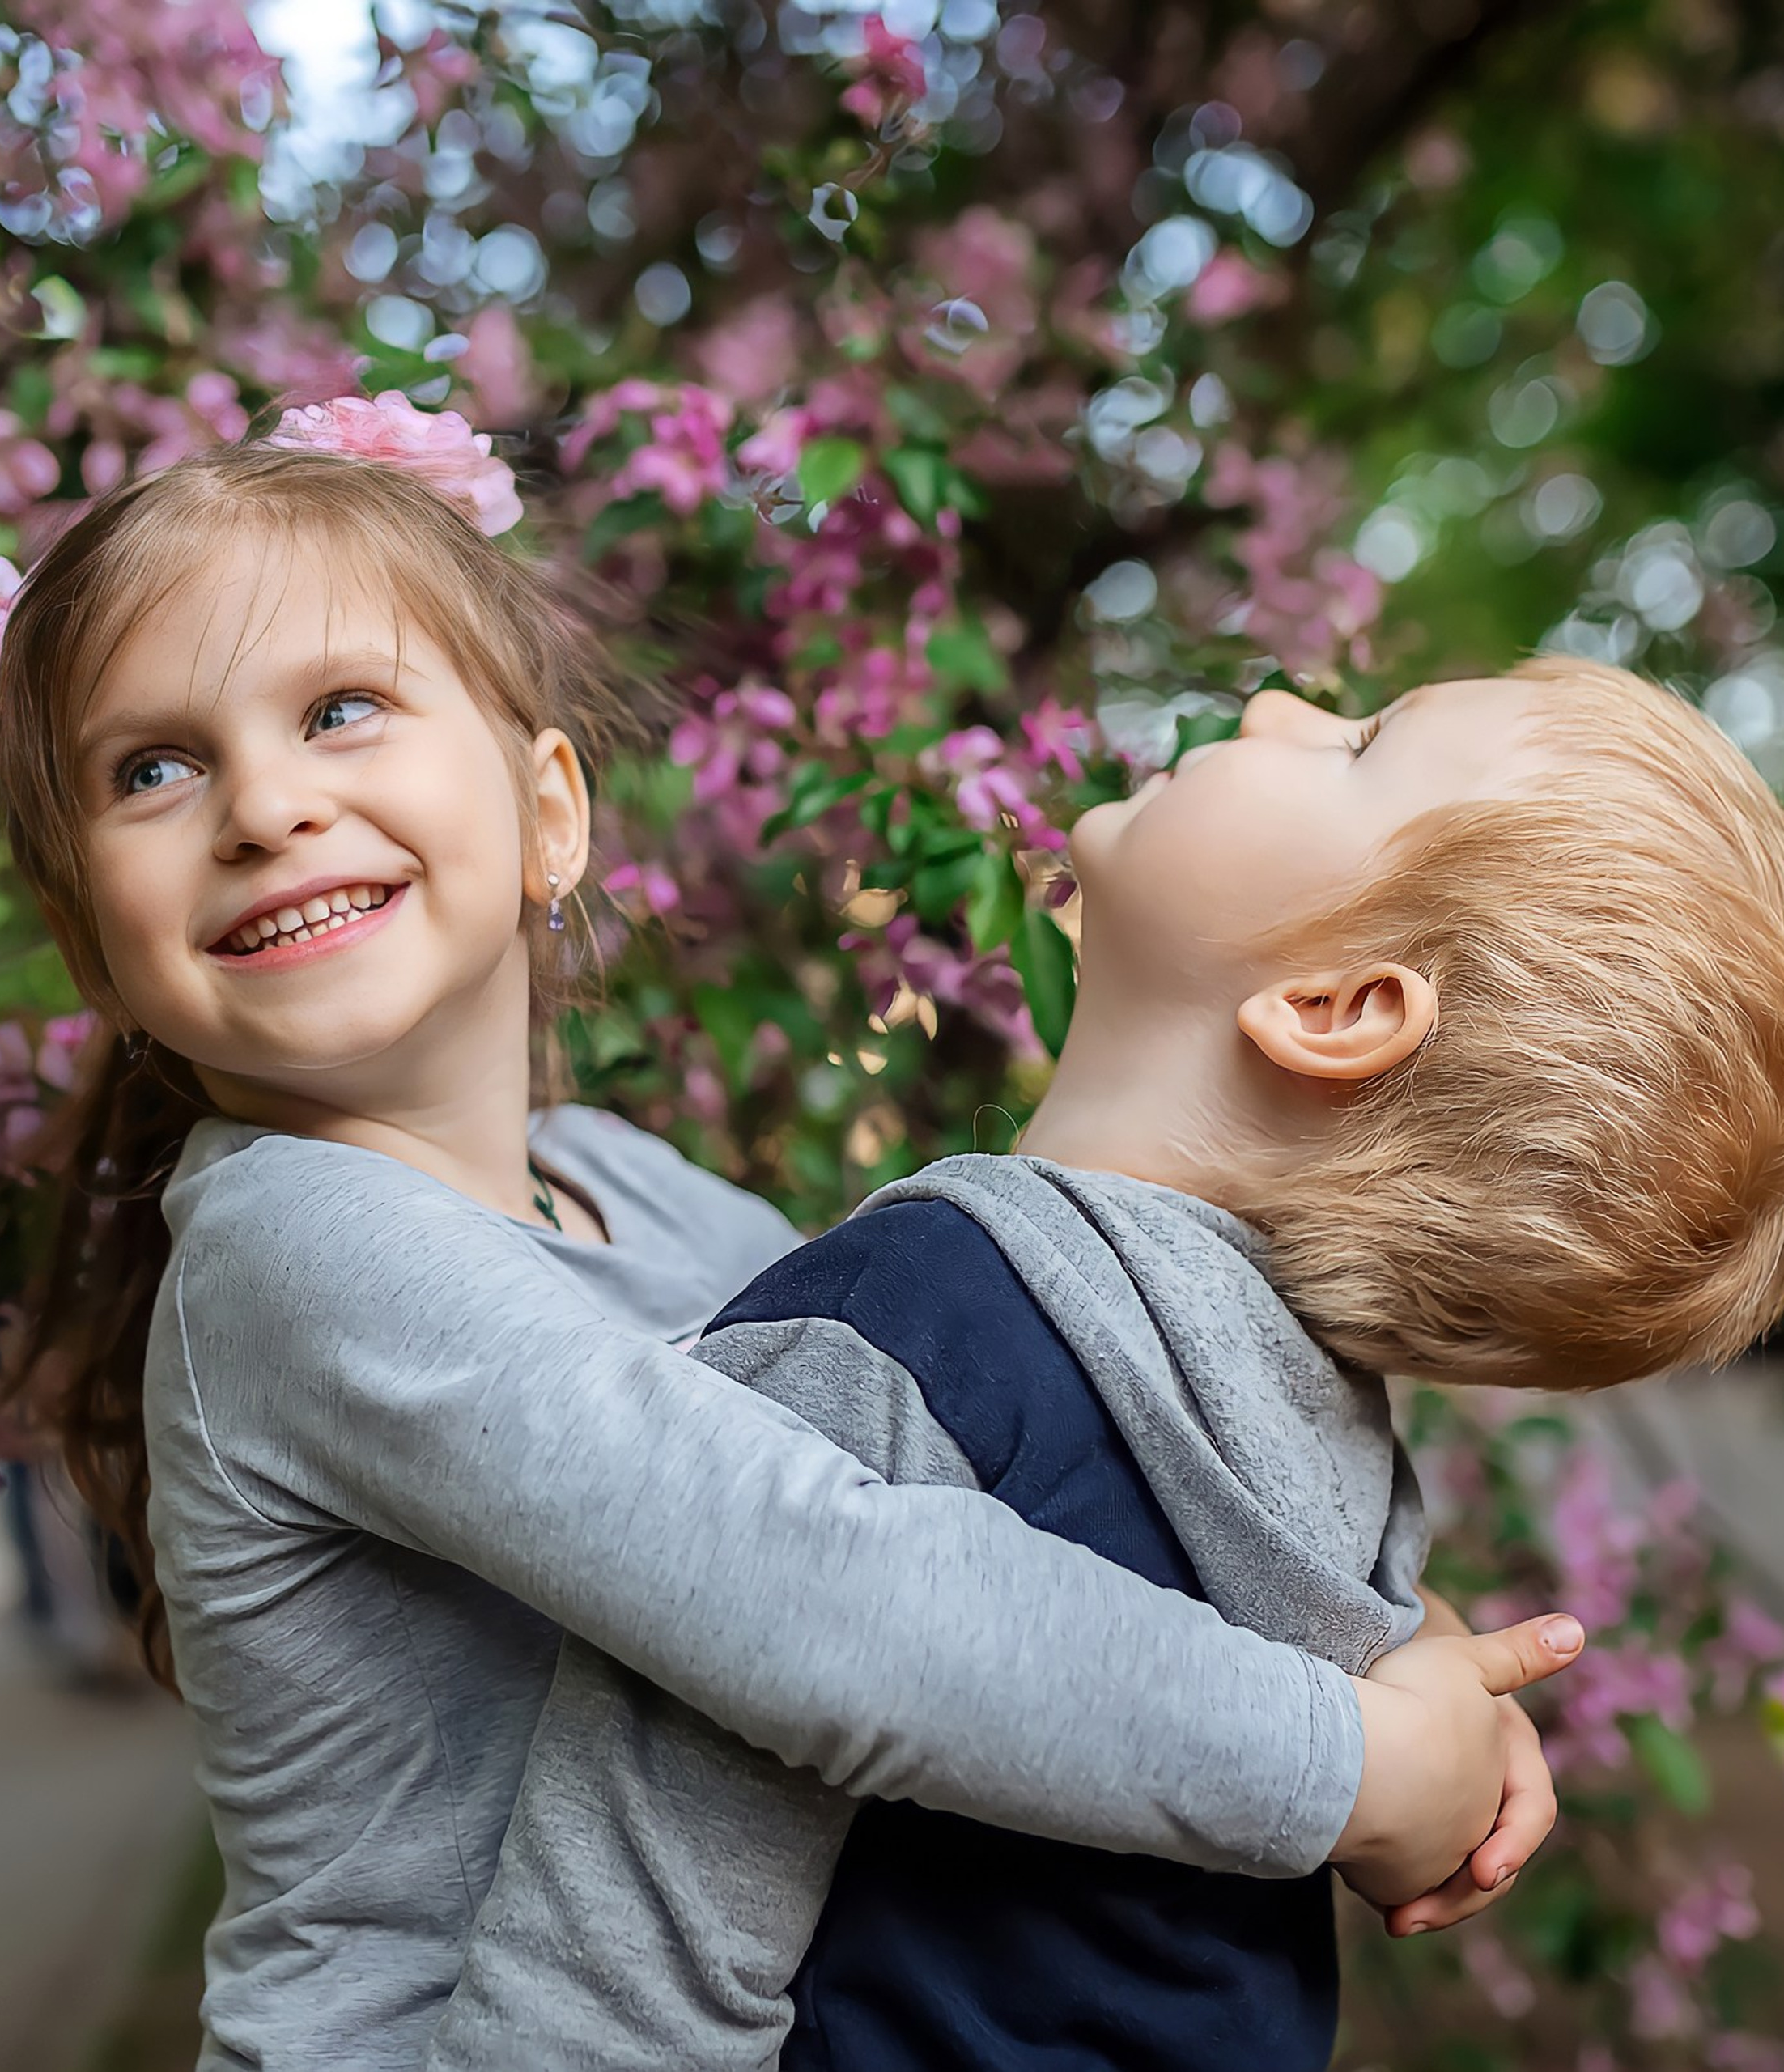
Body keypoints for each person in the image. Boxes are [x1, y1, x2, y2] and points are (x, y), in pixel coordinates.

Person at [0, 396, 1579, 2070]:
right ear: (95, 949)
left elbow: (956, 1468)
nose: (263, 804)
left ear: (548, 817)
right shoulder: (294, 1248)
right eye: (152, 766)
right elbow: (831, 1590)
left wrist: (1392, 1649)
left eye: (341, 708)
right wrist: (1354, 1762)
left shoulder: (624, 1178)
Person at [427, 658, 1784, 2072]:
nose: (1274, 709)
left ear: (1331, 1007)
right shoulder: (1317, 1429)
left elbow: (627, 1938)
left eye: (1361, 743)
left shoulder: (909, 1323)